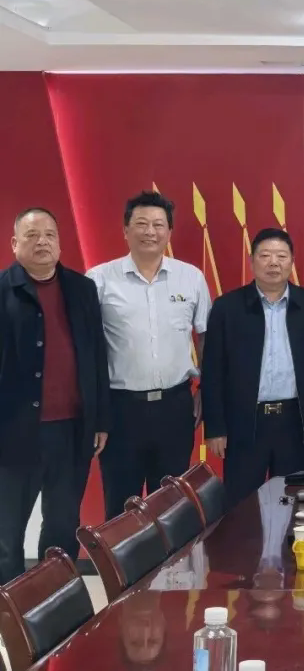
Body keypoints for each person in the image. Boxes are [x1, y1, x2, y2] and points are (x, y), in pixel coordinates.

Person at [0, 209, 109, 584]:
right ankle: (11, 609)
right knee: (7, 534)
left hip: (71, 429)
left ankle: (55, 600)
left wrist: (100, 419)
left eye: (49, 234)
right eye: (32, 235)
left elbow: (96, 357)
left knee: (63, 526)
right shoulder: (3, 291)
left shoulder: (81, 289)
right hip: (15, 432)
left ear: (60, 243)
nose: (42, 242)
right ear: (15, 244)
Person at [87, 191, 211, 518]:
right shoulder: (99, 279)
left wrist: (205, 389)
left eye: (158, 224)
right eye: (141, 224)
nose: (150, 232)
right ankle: (122, 556)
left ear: (169, 231)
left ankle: (172, 557)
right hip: (121, 410)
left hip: (175, 407)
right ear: (125, 230)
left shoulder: (191, 277)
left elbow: (205, 338)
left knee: (172, 507)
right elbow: (85, 348)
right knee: (121, 509)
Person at [201, 229, 304, 506]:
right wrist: (215, 427)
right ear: (252, 261)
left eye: (281, 256)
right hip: (244, 422)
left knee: (293, 504)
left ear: (291, 261)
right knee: (241, 505)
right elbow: (212, 372)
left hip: (294, 422)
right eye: (265, 255)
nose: (273, 263)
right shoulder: (227, 307)